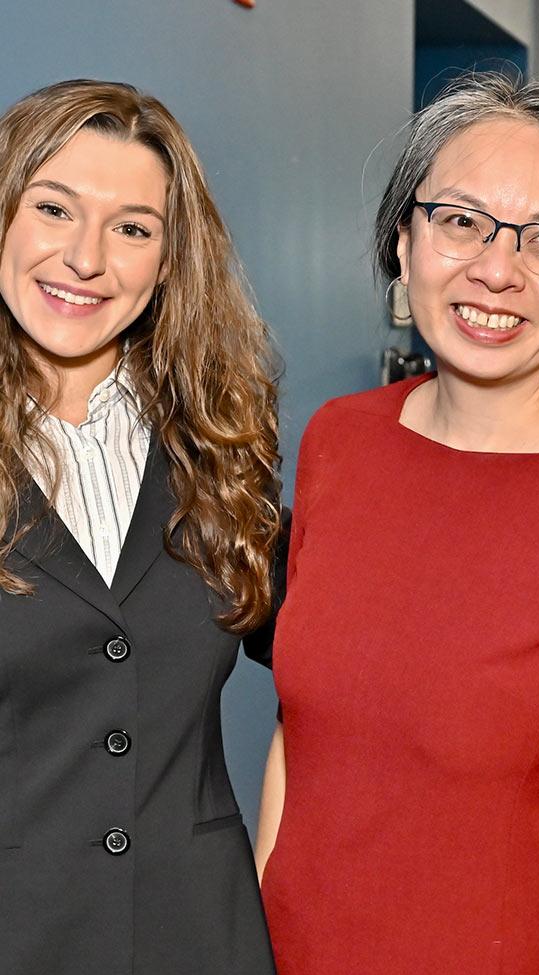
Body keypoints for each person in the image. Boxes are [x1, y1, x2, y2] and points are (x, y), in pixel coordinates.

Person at [256, 72, 539, 975]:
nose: (495, 270)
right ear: (405, 241)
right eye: (459, 220)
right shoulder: (338, 444)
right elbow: (300, 737)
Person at [0, 79, 285, 974]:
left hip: (199, 934)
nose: (86, 257)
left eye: (132, 227)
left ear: (168, 261)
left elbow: (337, 671)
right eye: (54, 208)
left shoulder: (224, 441)